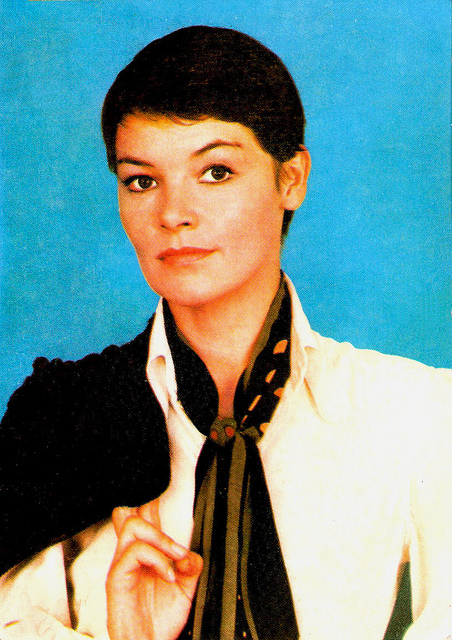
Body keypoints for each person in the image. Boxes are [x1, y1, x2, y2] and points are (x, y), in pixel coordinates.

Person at [0, 25, 451, 640]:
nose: (172, 213)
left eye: (215, 172)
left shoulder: (418, 414)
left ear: (291, 179)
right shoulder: (64, 423)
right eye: (141, 180)